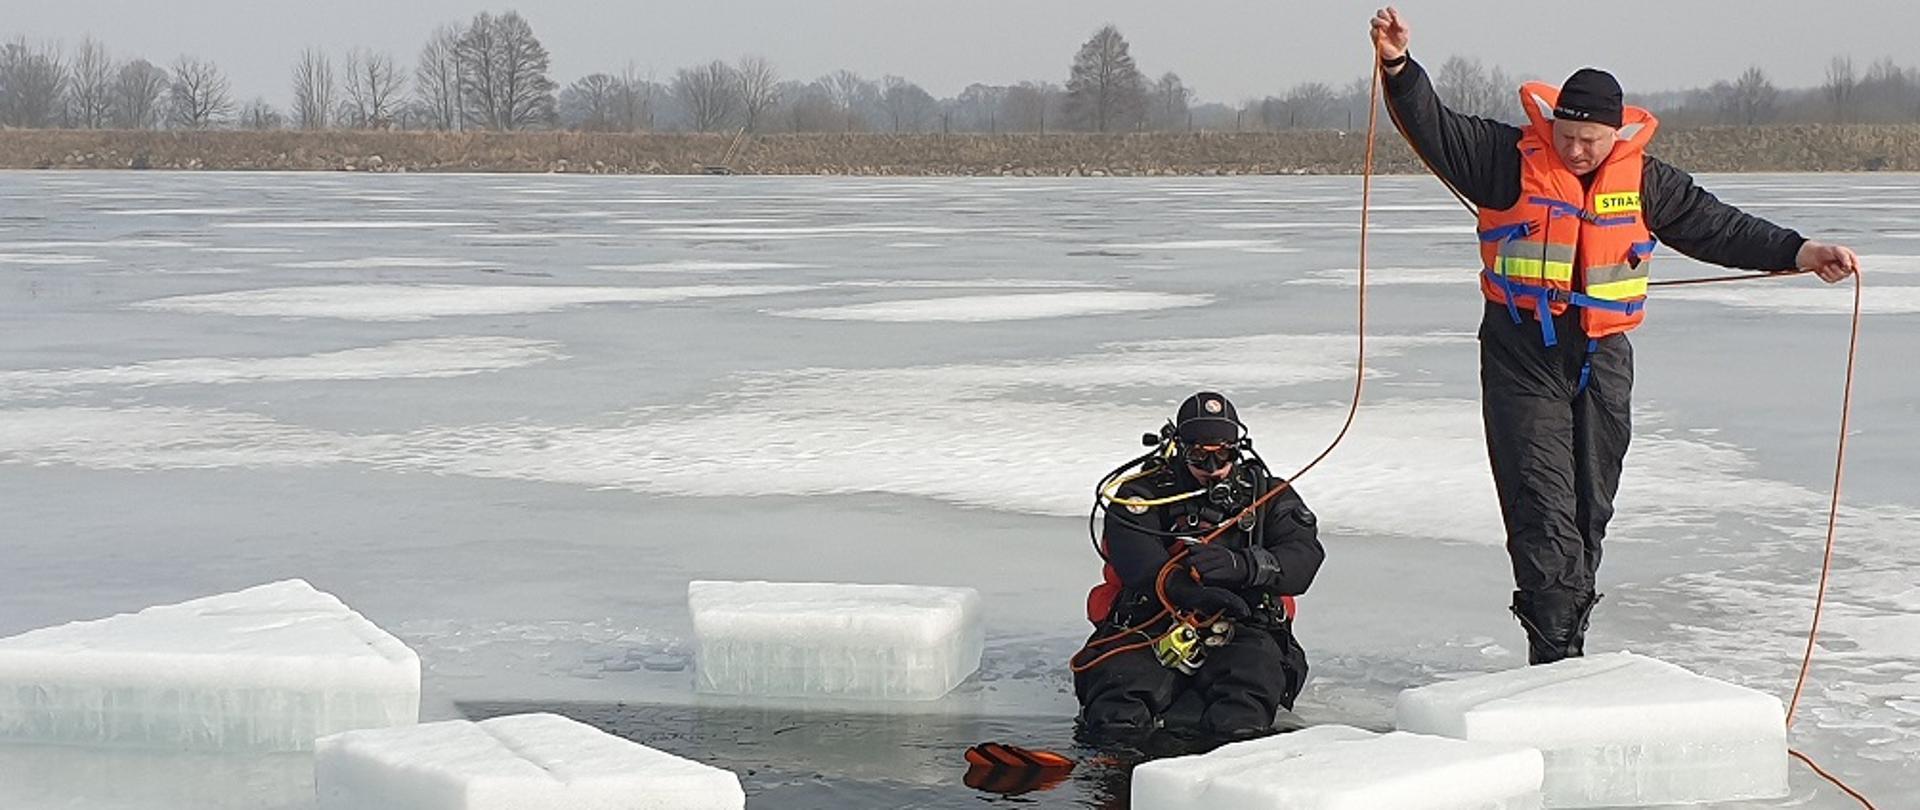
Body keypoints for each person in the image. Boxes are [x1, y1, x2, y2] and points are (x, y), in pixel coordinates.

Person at [1368, 7, 1860, 664]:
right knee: (1542, 512)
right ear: (1554, 125)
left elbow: (1720, 228)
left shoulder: (1647, 180)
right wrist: (1399, 66)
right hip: (1523, 355)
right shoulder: (1503, 158)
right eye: (1567, 135)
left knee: (1586, 512)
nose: (1575, 150)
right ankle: (1555, 661)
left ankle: (1567, 644)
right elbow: (1432, 126)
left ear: (1614, 134)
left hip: (1603, 357)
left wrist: (1801, 251)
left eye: (1589, 140)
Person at [1074, 392, 1324, 739]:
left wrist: (1245, 566)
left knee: (1242, 716)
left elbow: (1304, 556)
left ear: (1238, 448)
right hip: (1152, 624)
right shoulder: (1142, 495)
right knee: (1116, 713)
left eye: (1222, 453)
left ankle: (1228, 778)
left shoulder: (1268, 495)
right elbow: (1135, 558)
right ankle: (1115, 780)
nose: (1212, 468)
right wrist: (1186, 589)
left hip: (1246, 625)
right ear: (1178, 447)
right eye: (1198, 455)